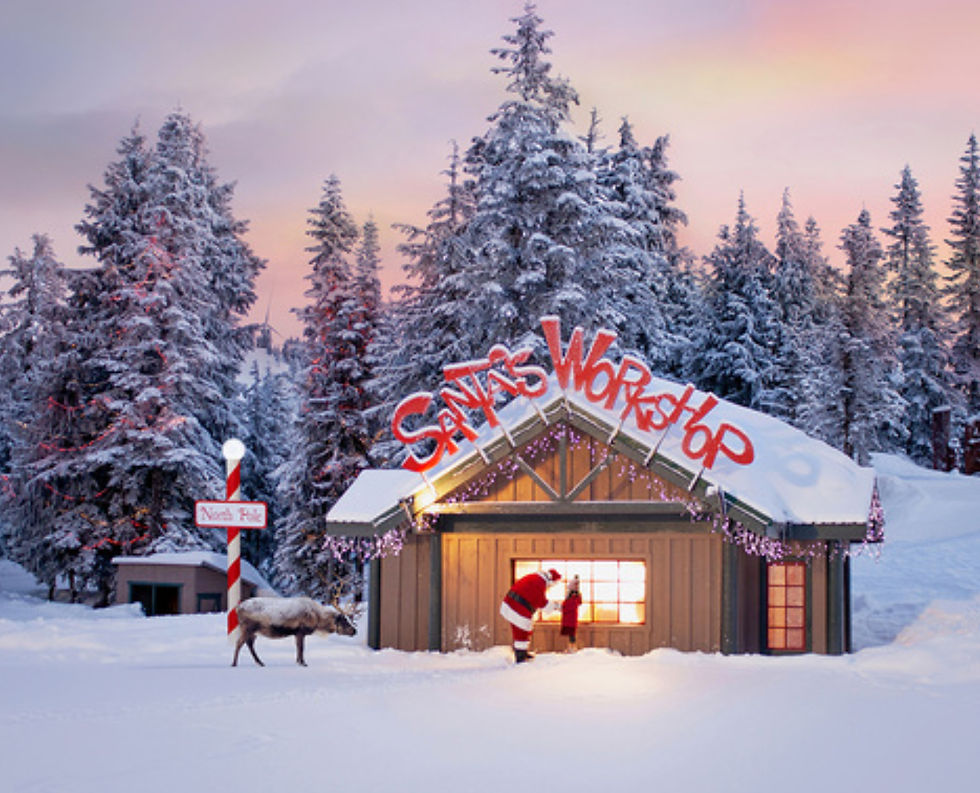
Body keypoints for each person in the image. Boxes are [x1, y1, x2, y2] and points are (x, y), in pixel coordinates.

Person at [500, 568, 561, 663]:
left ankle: (522, 652)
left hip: (512, 605)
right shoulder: (539, 583)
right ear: (551, 581)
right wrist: (556, 606)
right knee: (521, 633)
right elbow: (541, 602)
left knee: (523, 632)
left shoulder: (535, 578)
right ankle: (520, 657)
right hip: (517, 608)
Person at [560, 575, 582, 652]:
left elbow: (567, 605)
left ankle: (572, 647)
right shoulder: (574, 596)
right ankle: (571, 647)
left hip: (570, 617)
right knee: (571, 634)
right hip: (571, 617)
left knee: (572, 634)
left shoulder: (573, 597)